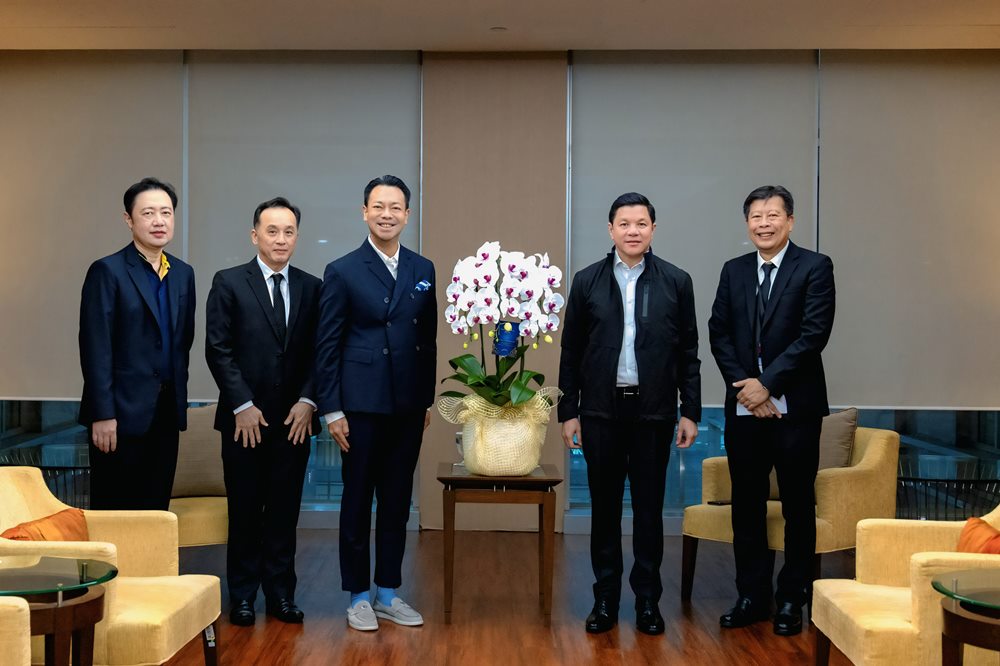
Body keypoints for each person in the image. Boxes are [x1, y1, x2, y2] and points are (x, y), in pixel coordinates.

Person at [559, 192, 701, 635]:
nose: (633, 231)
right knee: (603, 510)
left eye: (641, 223)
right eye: (624, 224)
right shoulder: (586, 281)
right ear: (611, 229)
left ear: (653, 229)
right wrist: (568, 411)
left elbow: (689, 352)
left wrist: (690, 411)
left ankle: (647, 602)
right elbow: (570, 350)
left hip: (653, 412)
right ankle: (605, 599)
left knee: (648, 511)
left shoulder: (676, 281)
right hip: (600, 412)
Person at [708, 185, 836, 637]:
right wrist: (748, 389)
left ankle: (791, 599)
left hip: (796, 408)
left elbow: (814, 334)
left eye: (773, 215)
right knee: (747, 504)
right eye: (756, 216)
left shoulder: (815, 267)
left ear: (790, 221)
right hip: (745, 406)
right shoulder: (734, 270)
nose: (764, 223)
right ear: (747, 223)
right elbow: (719, 332)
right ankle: (751, 596)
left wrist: (768, 385)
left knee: (798, 504)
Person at [315, 175, 437, 632]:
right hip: (360, 406)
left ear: (407, 214)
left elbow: (428, 340)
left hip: (407, 406)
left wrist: (425, 400)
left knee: (397, 501)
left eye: (396, 207)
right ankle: (358, 596)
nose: (387, 215)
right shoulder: (342, 269)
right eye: (379, 206)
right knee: (356, 500)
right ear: (364, 212)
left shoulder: (423, 268)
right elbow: (327, 344)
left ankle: (388, 591)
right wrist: (332, 409)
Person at [205, 197, 321, 627]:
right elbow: (218, 349)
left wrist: (309, 401)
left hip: (294, 423)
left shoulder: (312, 287)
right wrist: (242, 404)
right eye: (272, 231)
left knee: (284, 513)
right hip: (244, 423)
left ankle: (281, 595)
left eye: (289, 232)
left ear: (297, 237)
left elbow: (320, 353)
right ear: (255, 235)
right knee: (245, 511)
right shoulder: (229, 282)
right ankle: (241, 596)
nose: (281, 239)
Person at [79, 177, 196, 510]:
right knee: (116, 513)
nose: (159, 221)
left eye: (166, 213)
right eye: (148, 213)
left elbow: (182, 344)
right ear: (129, 219)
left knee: (156, 510)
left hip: (165, 413)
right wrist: (103, 414)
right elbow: (96, 347)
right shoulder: (108, 271)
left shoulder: (183, 273)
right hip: (119, 416)